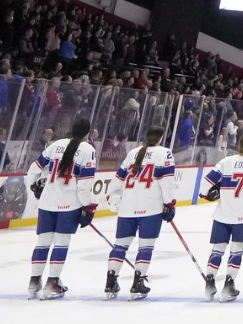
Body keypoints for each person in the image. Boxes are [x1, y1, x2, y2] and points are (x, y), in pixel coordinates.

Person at [24, 116, 96, 299]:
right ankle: (52, 282)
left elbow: (34, 169)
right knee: (61, 243)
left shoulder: (56, 144)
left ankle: (33, 282)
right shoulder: (88, 150)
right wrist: (88, 207)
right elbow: (83, 185)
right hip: (69, 204)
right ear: (88, 132)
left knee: (43, 242)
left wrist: (34, 187)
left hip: (47, 201)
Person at [102, 125, 178, 300]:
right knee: (146, 247)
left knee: (120, 245)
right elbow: (166, 183)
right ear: (161, 137)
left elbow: (117, 179)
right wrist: (169, 204)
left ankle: (110, 281)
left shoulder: (133, 153)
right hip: (150, 208)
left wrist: (112, 197)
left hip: (127, 207)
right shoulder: (164, 153)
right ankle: (138, 282)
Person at [203, 132, 243, 302]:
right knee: (236, 250)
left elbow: (206, 183)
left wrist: (206, 194)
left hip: (223, 213)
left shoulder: (226, 162)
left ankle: (209, 283)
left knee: (217, 249)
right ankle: (228, 286)